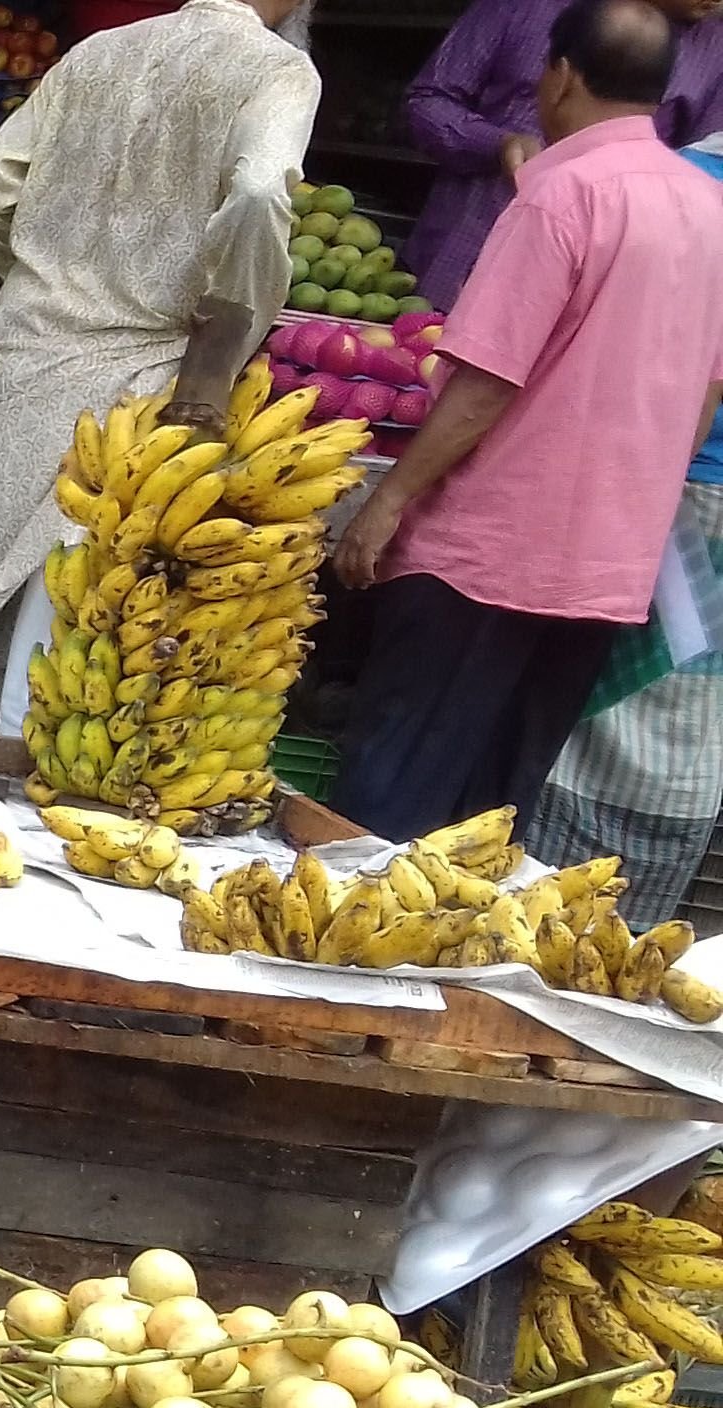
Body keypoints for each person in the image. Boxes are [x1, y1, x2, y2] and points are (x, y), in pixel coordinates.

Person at [331, 0, 723, 843]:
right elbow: (704, 395)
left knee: (385, 808)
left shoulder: (562, 196)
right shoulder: (708, 211)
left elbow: (484, 384)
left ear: (561, 76)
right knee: (486, 822)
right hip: (606, 574)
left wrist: (388, 501)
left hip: (487, 558)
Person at [0, 0, 318, 731]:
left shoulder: (99, 51)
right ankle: (24, 786)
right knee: (72, 608)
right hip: (144, 366)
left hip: (26, 342)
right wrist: (229, 324)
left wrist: (37, 276)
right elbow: (257, 191)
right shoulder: (277, 68)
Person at [521, 127, 723, 923]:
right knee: (670, 737)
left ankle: (552, 923)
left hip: (642, 491)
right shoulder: (680, 185)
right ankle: (613, 936)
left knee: (610, 719)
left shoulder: (658, 183)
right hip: (681, 500)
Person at [401, 0, 723, 306]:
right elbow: (428, 100)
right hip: (457, 263)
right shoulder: (526, 6)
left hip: (587, 296)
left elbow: (699, 181)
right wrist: (496, 144)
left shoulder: (714, 51)